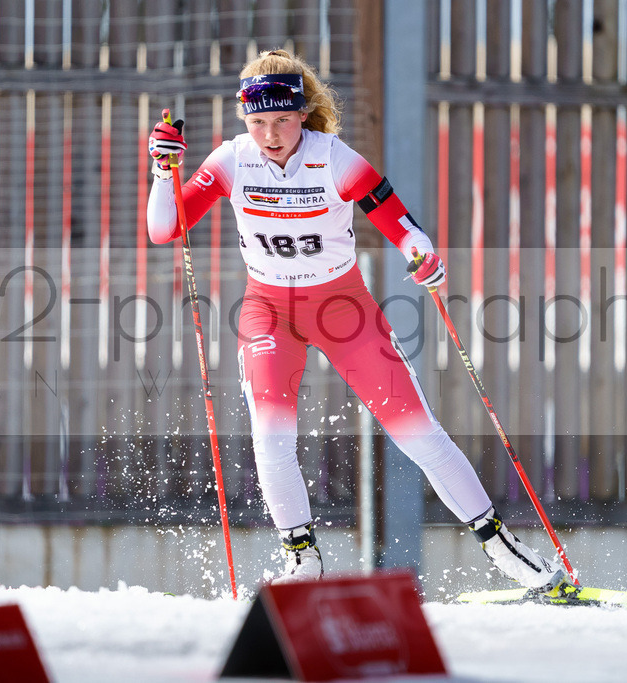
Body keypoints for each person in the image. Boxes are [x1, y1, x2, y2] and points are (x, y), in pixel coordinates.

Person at [145, 49, 566, 592]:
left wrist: (424, 256)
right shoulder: (231, 159)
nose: (271, 135)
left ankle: (502, 547)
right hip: (267, 310)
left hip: (341, 308)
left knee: (417, 433)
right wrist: (163, 172)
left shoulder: (335, 157)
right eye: (258, 122)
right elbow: (164, 228)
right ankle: (303, 561)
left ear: (302, 114)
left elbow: (401, 225)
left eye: (281, 120)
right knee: (270, 438)